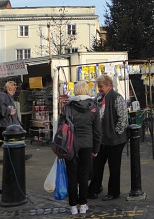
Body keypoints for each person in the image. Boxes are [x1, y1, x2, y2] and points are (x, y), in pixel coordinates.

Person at [88, 74, 129, 201]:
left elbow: (123, 118)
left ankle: (114, 192)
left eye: (101, 86)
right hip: (101, 139)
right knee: (97, 165)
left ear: (109, 86)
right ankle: (93, 190)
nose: (99, 88)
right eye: (98, 86)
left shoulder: (117, 97)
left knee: (114, 167)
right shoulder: (98, 98)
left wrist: (116, 133)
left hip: (115, 140)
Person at [63, 81, 101, 215]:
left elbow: (63, 127)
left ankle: (73, 205)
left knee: (72, 175)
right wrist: (96, 148)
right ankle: (83, 204)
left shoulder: (68, 106)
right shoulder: (94, 107)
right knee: (84, 175)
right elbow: (97, 130)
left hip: (70, 145)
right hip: (87, 144)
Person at [0, 81, 21, 165]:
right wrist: (9, 111)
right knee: (6, 139)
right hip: (2, 123)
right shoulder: (2, 96)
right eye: (13, 89)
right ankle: (14, 157)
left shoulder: (7, 96)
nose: (14, 91)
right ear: (9, 89)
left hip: (3, 123)